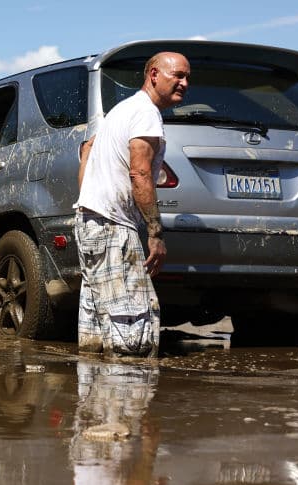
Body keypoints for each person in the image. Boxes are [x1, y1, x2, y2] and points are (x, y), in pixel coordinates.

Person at [75, 51, 190, 357]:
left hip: (90, 222)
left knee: (97, 330)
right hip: (113, 227)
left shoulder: (120, 111)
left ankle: (94, 401)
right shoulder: (145, 114)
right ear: (154, 75)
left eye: (187, 76)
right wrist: (156, 233)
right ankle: (127, 400)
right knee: (132, 338)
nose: (184, 83)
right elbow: (140, 173)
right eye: (177, 75)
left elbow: (88, 154)